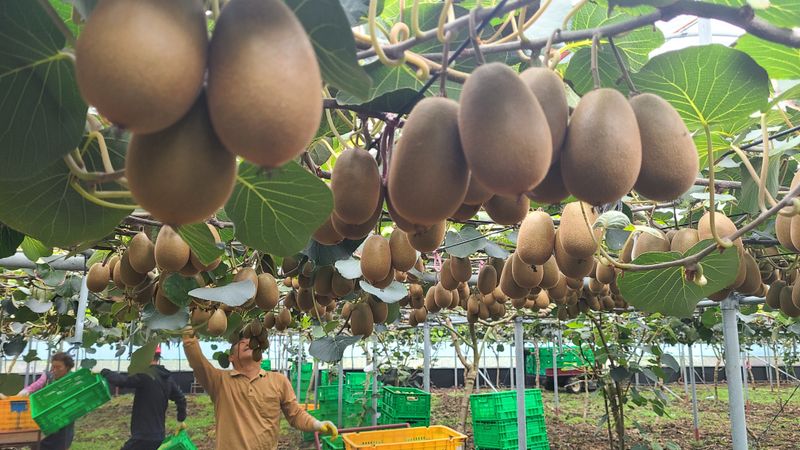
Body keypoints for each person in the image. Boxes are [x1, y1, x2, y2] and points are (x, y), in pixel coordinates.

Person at [182, 328, 337, 449]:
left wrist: (318, 424)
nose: (246, 342)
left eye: (250, 342)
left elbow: (295, 414)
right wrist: (190, 331)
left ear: (260, 355)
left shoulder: (279, 381)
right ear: (231, 357)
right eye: (240, 342)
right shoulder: (219, 381)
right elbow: (198, 363)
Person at [100, 346, 187, 450]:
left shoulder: (145, 375)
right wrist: (181, 418)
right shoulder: (167, 379)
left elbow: (123, 381)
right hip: (159, 435)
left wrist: (106, 373)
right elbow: (181, 398)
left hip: (143, 435)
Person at [18, 352, 76, 450]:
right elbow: (38, 384)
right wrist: (25, 391)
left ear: (67, 367)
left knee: (59, 444)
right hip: (45, 417)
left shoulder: (73, 379)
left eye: (59, 367)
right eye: (53, 366)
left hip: (63, 419)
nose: (55, 370)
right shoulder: (49, 375)